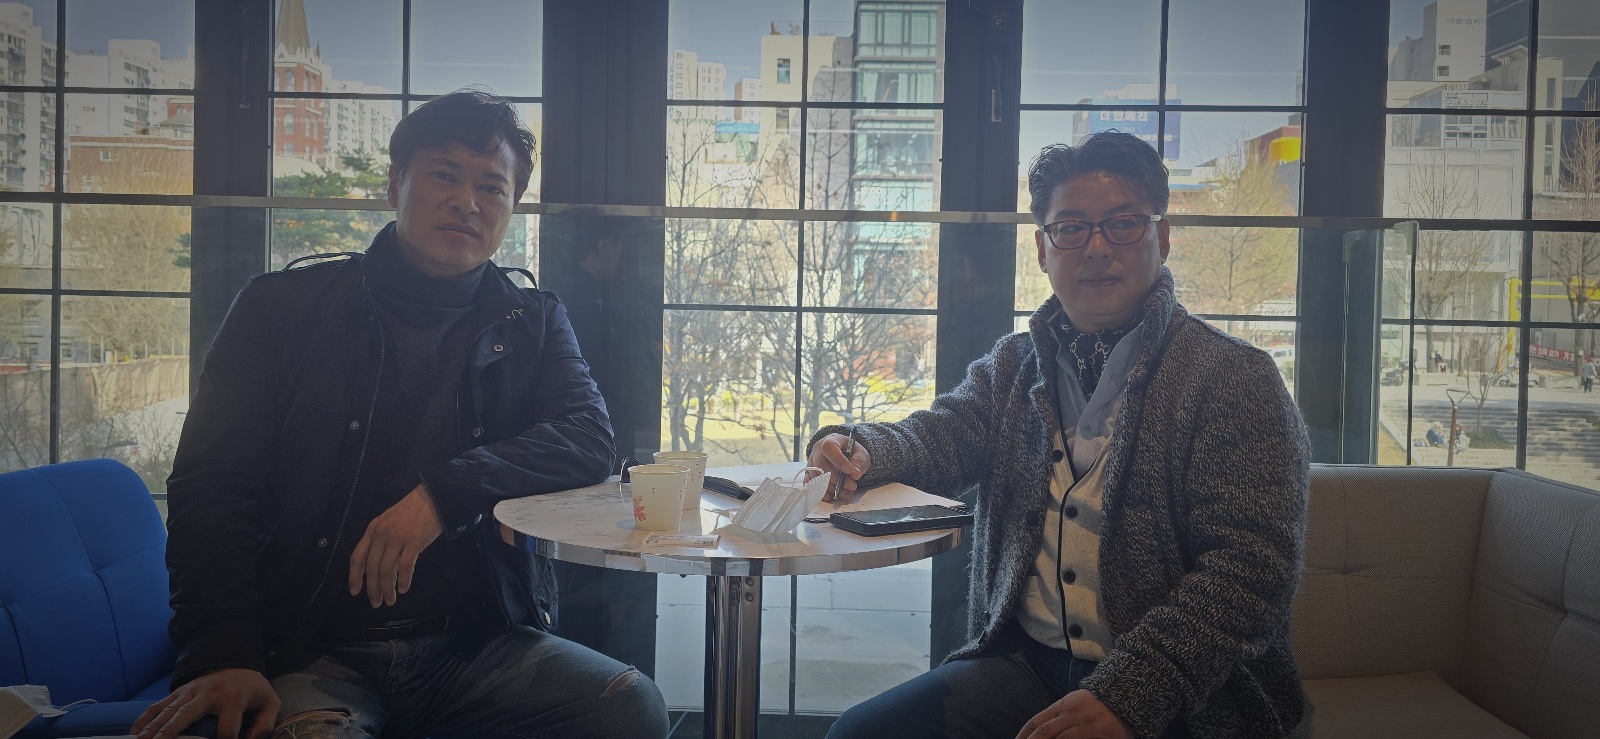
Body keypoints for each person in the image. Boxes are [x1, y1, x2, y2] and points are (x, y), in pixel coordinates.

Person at [134, 91, 668, 739]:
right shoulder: (281, 309)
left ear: (512, 207)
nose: (467, 202)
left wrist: (443, 494)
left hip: (474, 645)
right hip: (310, 648)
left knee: (628, 706)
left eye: (491, 187)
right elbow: (211, 488)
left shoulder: (531, 320)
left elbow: (587, 438)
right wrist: (222, 654)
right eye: (445, 175)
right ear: (395, 183)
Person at [810, 132, 1310, 739]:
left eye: (1122, 224)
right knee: (859, 734)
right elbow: (942, 437)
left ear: (1162, 237)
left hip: (1191, 691)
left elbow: (1249, 573)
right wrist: (862, 448)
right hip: (1026, 665)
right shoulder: (1015, 365)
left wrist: (1131, 695)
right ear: (1043, 249)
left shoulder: (1234, 378)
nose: (1096, 248)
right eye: (1071, 228)